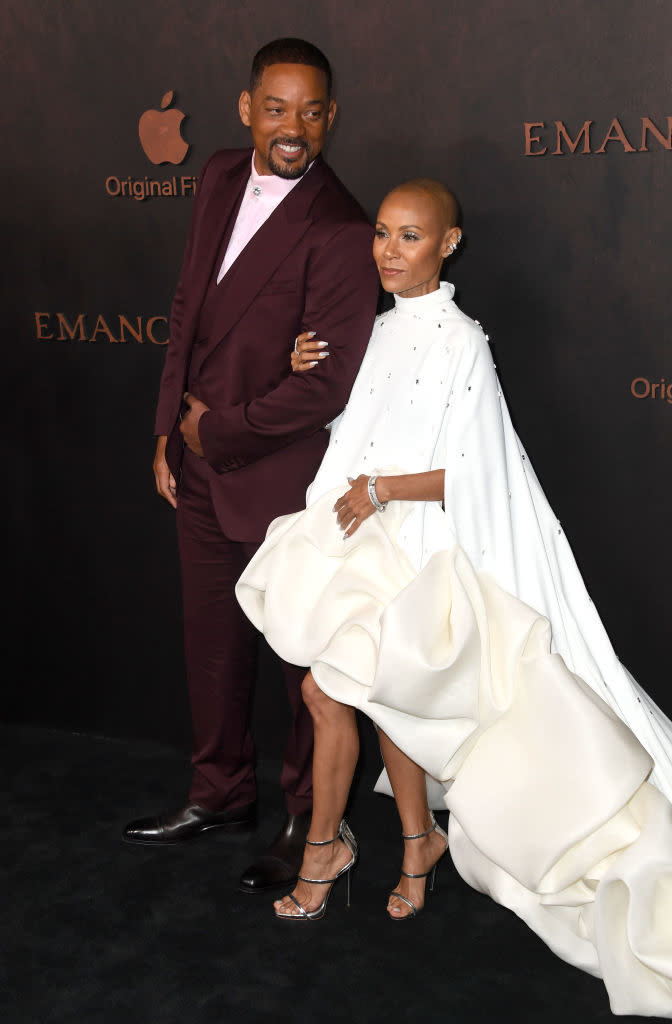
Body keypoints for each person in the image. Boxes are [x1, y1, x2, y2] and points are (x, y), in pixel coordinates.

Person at [236, 180, 672, 1017]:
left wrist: (381, 487)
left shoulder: (463, 342)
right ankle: (412, 844)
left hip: (426, 556)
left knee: (341, 694)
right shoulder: (379, 328)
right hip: (366, 544)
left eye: (409, 237)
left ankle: (334, 853)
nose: (390, 252)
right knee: (374, 700)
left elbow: (477, 472)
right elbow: (348, 418)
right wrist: (298, 365)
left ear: (449, 243)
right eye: (382, 236)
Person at [123, 38, 379, 895]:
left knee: (303, 667)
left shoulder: (341, 228)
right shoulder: (220, 176)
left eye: (311, 111)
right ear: (246, 110)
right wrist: (167, 429)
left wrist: (215, 432)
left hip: (281, 478)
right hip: (196, 469)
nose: (293, 128)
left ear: (331, 117)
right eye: (277, 108)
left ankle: (311, 820)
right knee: (213, 651)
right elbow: (190, 306)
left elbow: (329, 386)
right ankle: (220, 796)